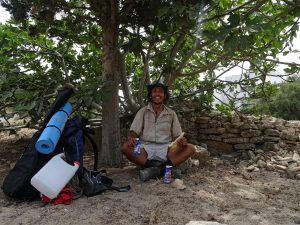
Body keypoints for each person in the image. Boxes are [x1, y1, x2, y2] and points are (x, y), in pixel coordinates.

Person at [121, 82, 195, 181]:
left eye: (160, 92)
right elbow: (134, 132)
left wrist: (182, 141)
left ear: (164, 95)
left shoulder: (171, 113)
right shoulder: (143, 111)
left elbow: (178, 136)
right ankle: (162, 169)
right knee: (126, 147)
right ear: (151, 95)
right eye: (154, 91)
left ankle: (155, 170)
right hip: (145, 147)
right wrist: (132, 138)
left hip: (166, 148)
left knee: (190, 148)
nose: (157, 94)